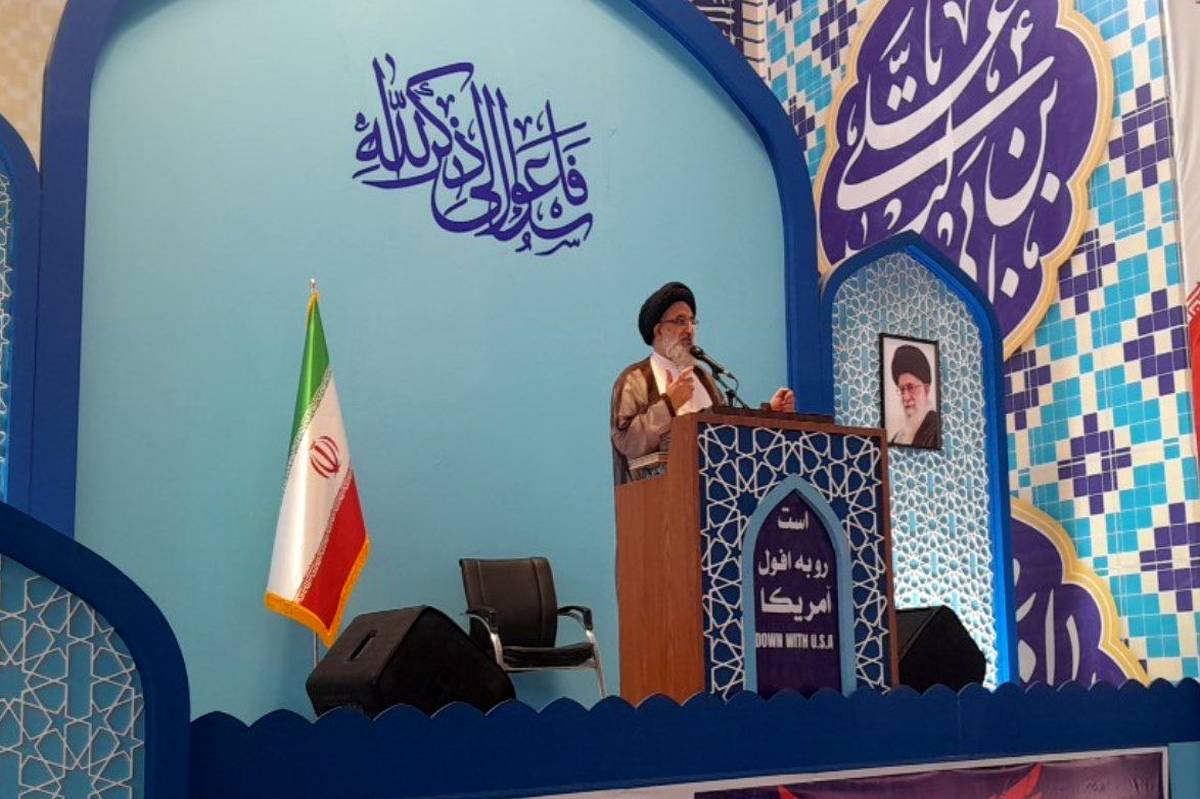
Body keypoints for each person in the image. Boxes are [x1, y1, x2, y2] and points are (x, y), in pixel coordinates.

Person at [610, 282, 795, 484]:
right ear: (659, 330)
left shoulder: (704, 378)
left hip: (713, 493)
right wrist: (669, 405)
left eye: (692, 321)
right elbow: (626, 442)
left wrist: (770, 412)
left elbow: (728, 433)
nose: (689, 329)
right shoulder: (635, 379)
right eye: (680, 321)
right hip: (657, 496)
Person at [888, 344, 940, 448]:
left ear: (926, 389)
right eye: (902, 389)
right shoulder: (898, 438)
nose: (905, 397)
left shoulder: (937, 429)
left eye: (911, 387)